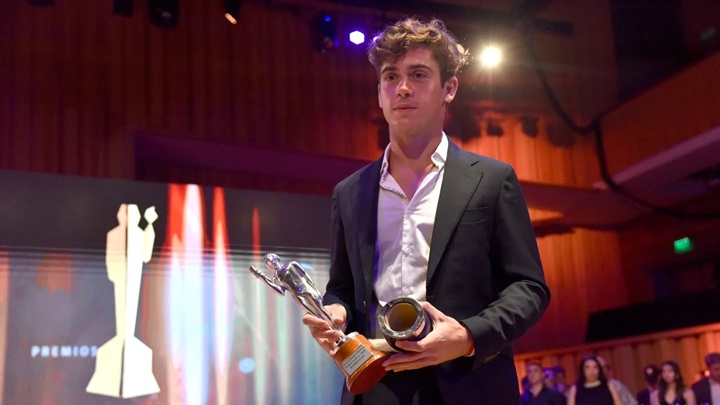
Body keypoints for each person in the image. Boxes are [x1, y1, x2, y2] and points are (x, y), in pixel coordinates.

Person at [301, 17, 550, 404]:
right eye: (390, 77)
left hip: (469, 383)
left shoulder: (492, 179)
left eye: (418, 75)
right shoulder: (348, 193)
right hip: (376, 383)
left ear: (449, 88)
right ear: (379, 93)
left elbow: (529, 288)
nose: (402, 88)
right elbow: (343, 288)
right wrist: (335, 310)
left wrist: (467, 337)